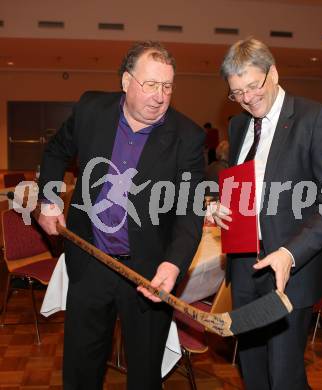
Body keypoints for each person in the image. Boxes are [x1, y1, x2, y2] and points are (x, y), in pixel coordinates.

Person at [37, 41, 205, 390]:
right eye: (151, 85)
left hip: (148, 273)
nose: (160, 97)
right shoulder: (91, 109)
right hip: (89, 262)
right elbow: (55, 152)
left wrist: (173, 265)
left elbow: (190, 211)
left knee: (144, 375)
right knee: (81, 369)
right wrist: (49, 199)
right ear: (126, 82)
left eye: (168, 86)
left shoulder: (187, 137)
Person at [210, 38, 322, 390]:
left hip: (290, 271)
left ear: (273, 73)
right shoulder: (240, 125)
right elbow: (243, 187)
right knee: (252, 371)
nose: (247, 98)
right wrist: (220, 207)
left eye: (253, 86)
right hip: (244, 269)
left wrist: (290, 254)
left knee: (284, 378)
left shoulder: (315, 118)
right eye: (237, 92)